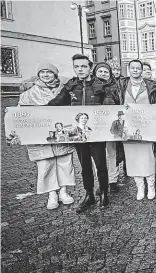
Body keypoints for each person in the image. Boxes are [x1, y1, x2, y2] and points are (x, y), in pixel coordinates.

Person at [47, 54, 110, 212]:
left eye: (83, 66)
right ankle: (89, 195)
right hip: (78, 134)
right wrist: (35, 110)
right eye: (76, 67)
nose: (80, 69)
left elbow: (110, 102)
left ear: (90, 67)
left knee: (100, 165)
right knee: (85, 167)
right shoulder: (70, 85)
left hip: (96, 134)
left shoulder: (101, 84)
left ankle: (104, 193)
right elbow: (55, 103)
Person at [18, 63, 76, 210]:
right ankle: (52, 194)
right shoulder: (28, 94)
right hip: (41, 139)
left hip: (62, 135)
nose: (45, 75)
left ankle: (63, 191)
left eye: (49, 72)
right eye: (42, 72)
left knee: (64, 163)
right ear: (38, 75)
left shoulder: (64, 92)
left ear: (55, 75)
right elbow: (21, 116)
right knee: (45, 165)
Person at [113, 60, 156, 200]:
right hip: (128, 129)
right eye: (132, 68)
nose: (135, 70)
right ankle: (140, 187)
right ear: (129, 69)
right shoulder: (121, 85)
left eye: (138, 68)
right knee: (132, 158)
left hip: (146, 128)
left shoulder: (150, 85)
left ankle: (151, 185)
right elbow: (114, 102)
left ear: (142, 70)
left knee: (148, 157)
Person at [93, 61, 123, 192]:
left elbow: (120, 103)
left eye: (106, 71)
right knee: (98, 156)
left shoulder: (116, 86)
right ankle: (101, 181)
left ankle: (113, 180)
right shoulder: (90, 87)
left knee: (112, 154)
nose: (103, 74)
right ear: (95, 73)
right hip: (96, 126)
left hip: (112, 125)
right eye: (100, 71)